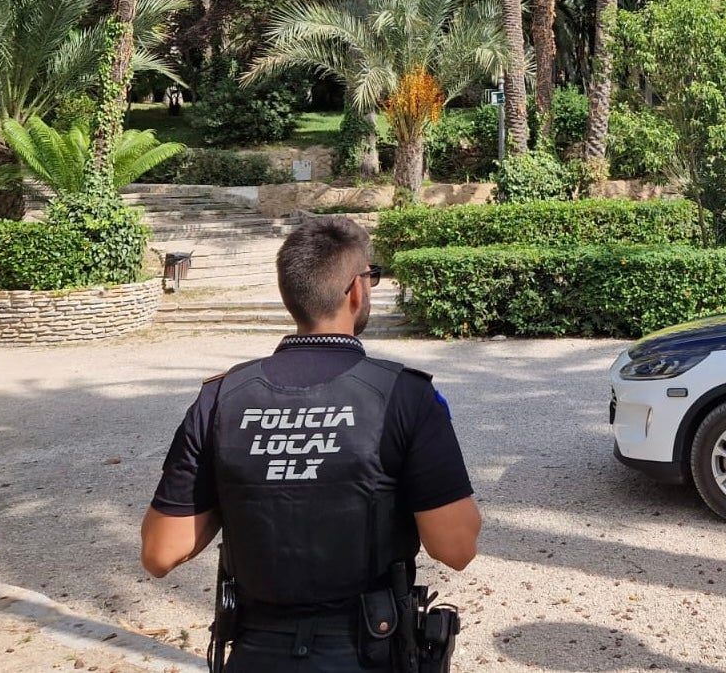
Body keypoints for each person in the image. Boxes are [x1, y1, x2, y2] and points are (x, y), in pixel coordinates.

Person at [140, 218, 481, 671]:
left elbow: (161, 552)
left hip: (256, 652)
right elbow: (456, 547)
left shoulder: (221, 398)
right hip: (370, 650)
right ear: (356, 290)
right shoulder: (406, 396)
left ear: (291, 294)